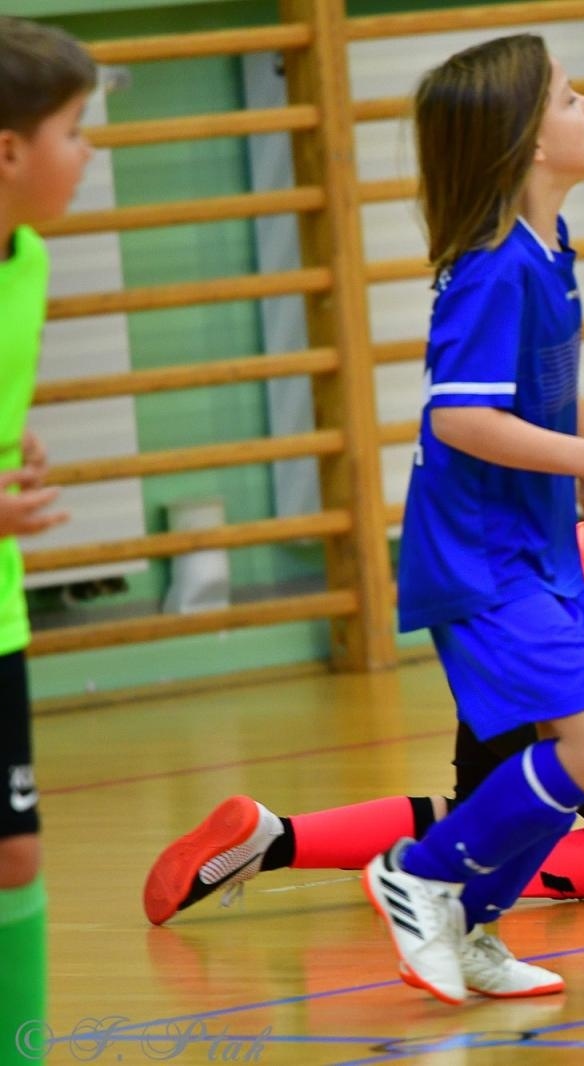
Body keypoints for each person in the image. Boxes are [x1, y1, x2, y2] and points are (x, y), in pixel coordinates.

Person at [145, 368, 584, 928]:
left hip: (511, 644)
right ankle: (429, 884)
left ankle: (271, 839)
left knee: (477, 812)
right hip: (536, 664)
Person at [348, 33, 584, 1006]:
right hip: (481, 558)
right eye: (571, 99)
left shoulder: (548, 247)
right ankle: (420, 874)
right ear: (528, 141)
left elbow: (545, 382)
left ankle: (474, 921)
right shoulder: (494, 268)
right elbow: (461, 415)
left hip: (535, 545)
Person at [0, 15, 94, 1055]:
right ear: (10, 152)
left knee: (14, 854)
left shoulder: (25, 260)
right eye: (75, 131)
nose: (88, 155)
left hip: (0, 608)